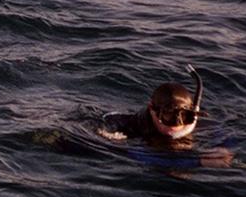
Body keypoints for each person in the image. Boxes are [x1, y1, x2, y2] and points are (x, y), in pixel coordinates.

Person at [100, 66, 234, 168]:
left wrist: (223, 147)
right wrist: (199, 161)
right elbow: (138, 155)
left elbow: (223, 132)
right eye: (168, 115)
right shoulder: (127, 127)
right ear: (152, 110)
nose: (177, 124)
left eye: (184, 116)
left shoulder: (198, 122)